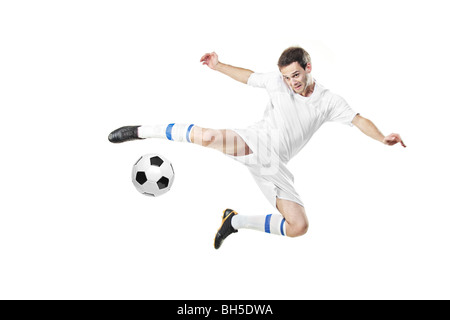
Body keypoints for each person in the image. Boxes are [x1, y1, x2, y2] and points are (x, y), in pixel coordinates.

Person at [108, 47, 406, 249]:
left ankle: (233, 220)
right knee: (210, 137)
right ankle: (140, 131)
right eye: (287, 77)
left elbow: (359, 120)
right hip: (257, 141)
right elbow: (248, 77)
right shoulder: (278, 82)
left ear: (308, 68)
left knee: (298, 227)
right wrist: (218, 65)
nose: (292, 83)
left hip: (274, 165)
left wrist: (381, 138)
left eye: (296, 76)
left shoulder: (328, 101)